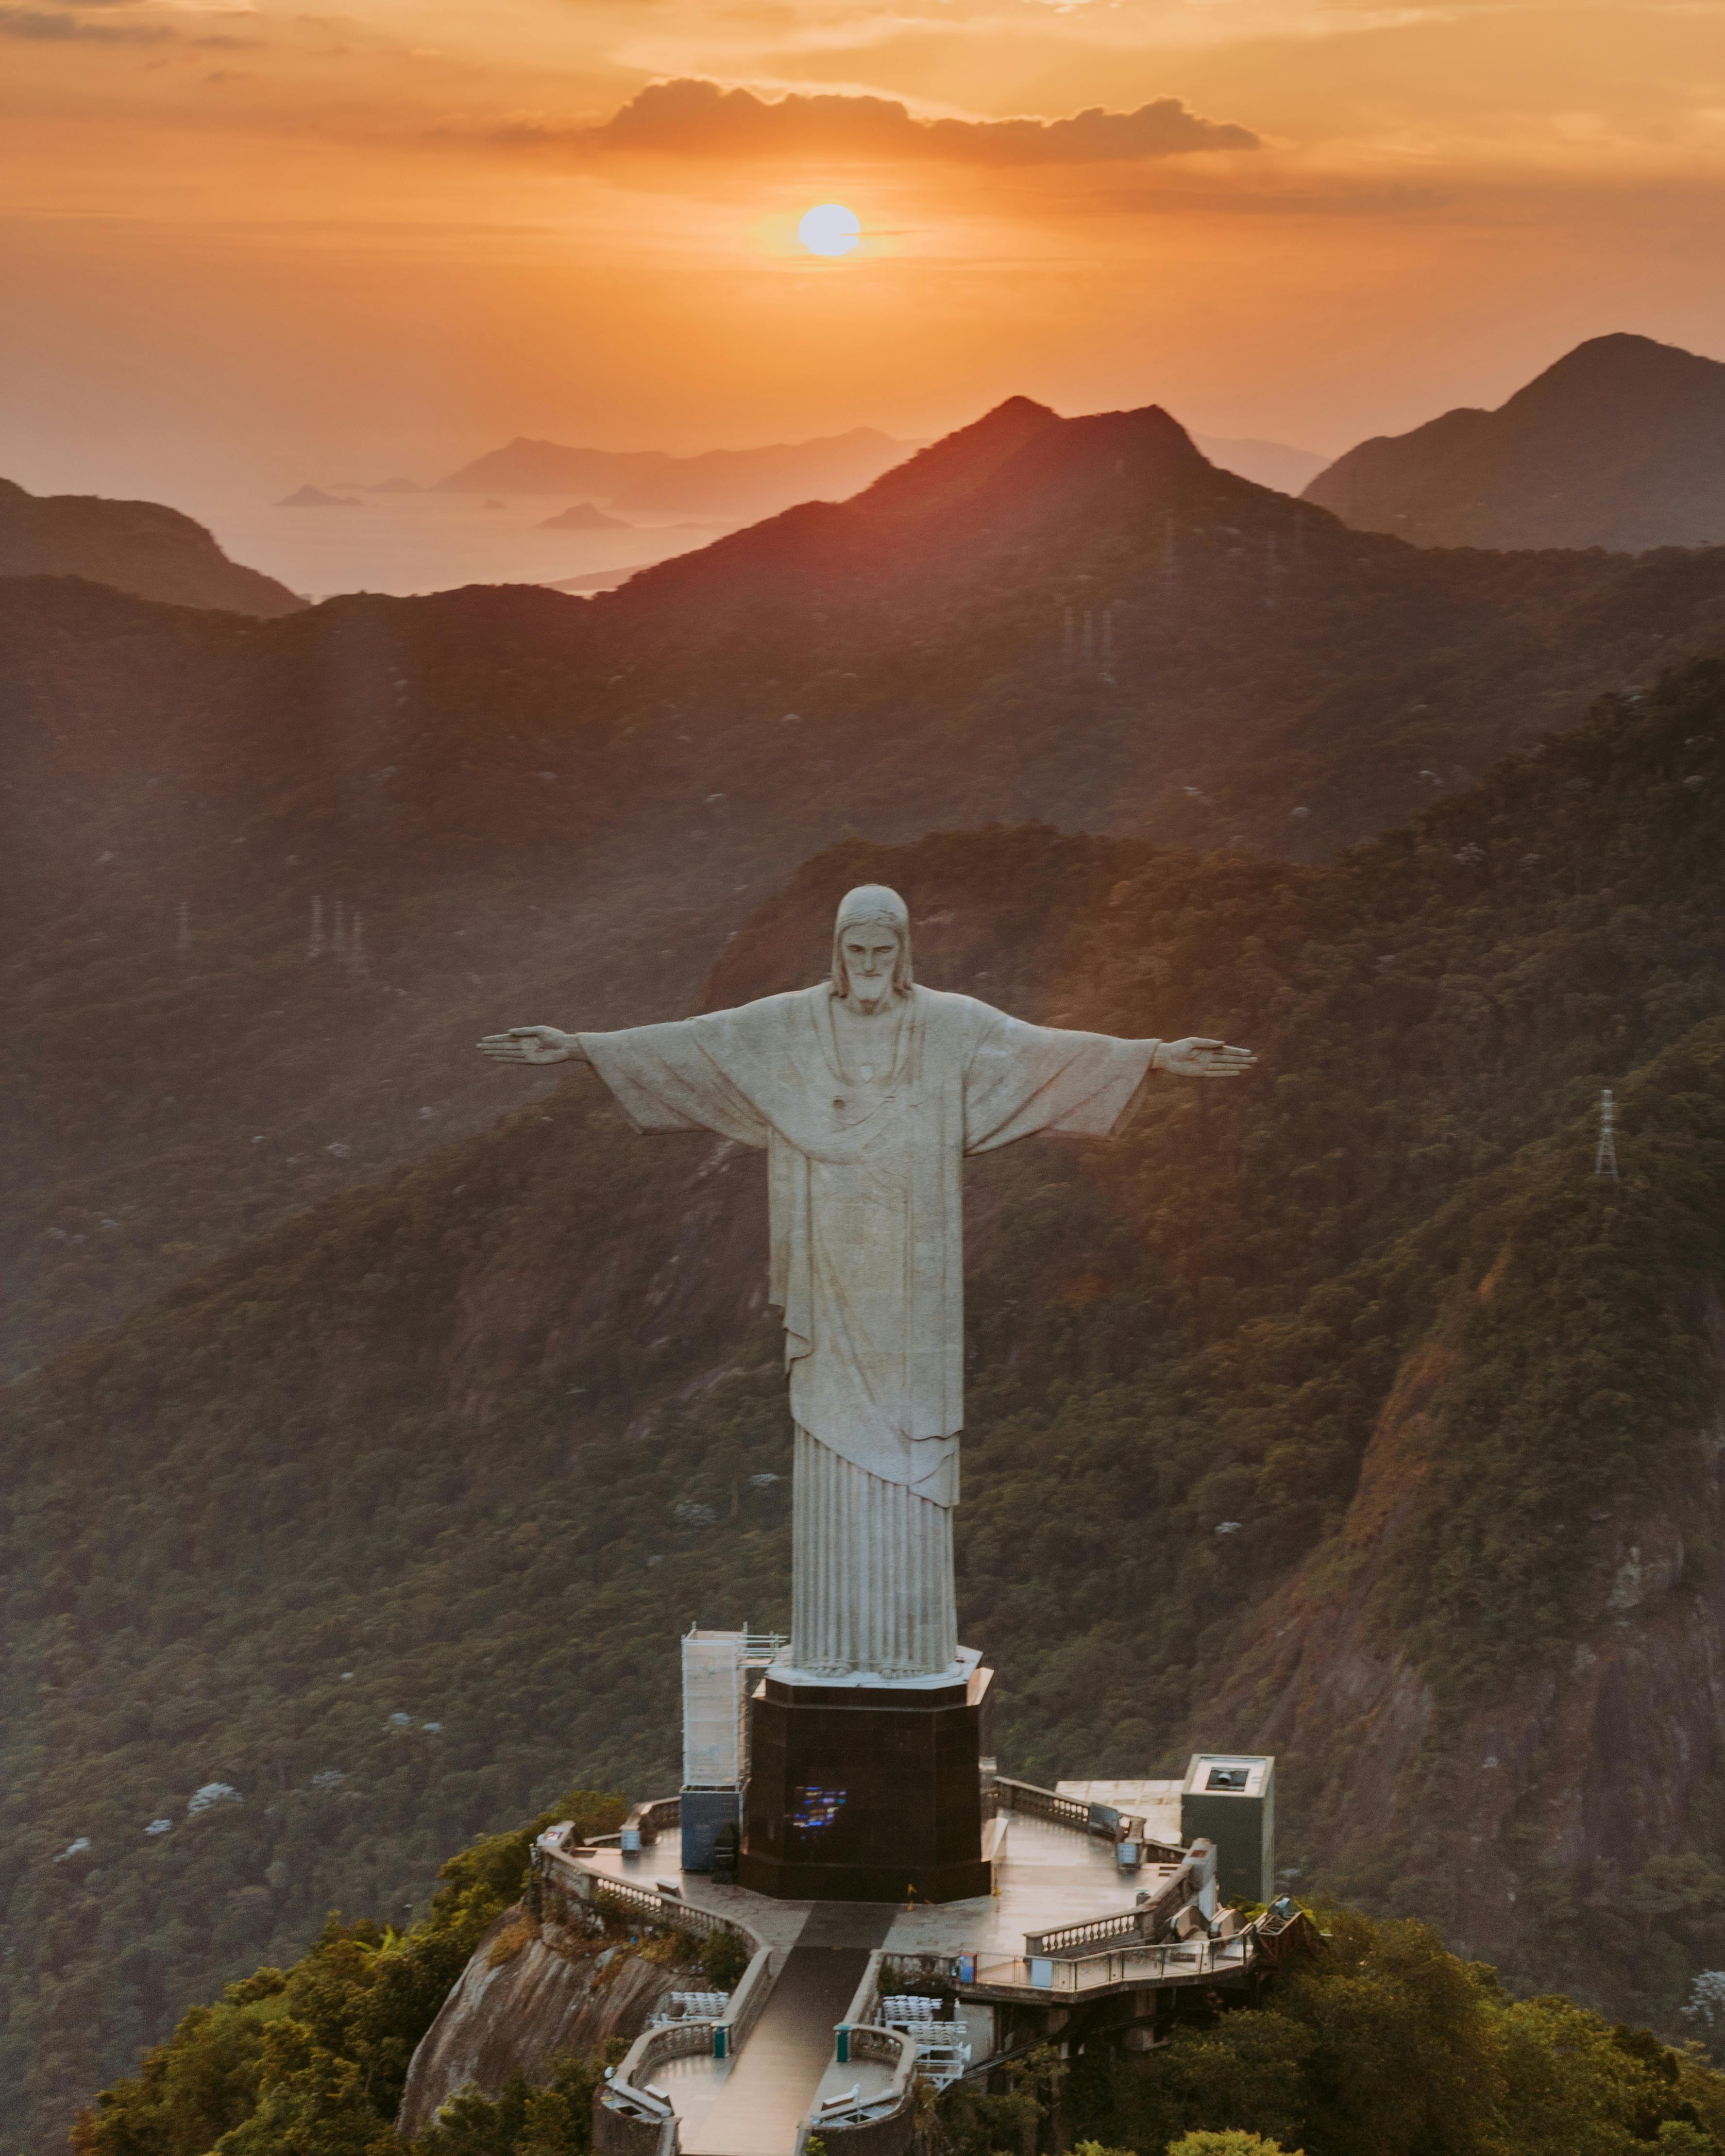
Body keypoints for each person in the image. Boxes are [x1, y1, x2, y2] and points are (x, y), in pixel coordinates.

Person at [480, 884, 1253, 1679]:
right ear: (838, 954)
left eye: (884, 953)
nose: (871, 966)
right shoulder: (794, 1024)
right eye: (857, 952)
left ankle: (908, 1650)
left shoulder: (949, 1026)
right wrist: (578, 1046)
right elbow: (696, 1045)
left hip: (913, 1288)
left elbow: (1043, 1051)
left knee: (909, 1439)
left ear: (906, 953)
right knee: (831, 1434)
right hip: (831, 1267)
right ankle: (837, 1648)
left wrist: (1155, 1056)